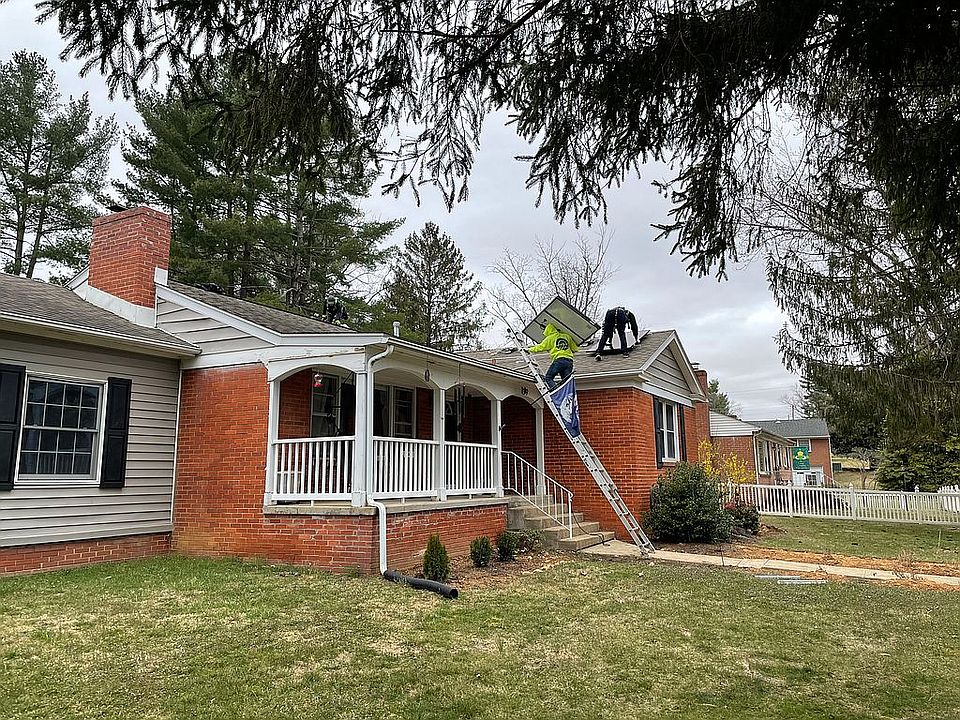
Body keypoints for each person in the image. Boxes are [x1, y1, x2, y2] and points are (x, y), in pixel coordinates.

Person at [528, 323, 578, 390]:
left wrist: (529, 349)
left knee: (548, 378)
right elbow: (575, 349)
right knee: (566, 382)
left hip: (559, 360)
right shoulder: (566, 336)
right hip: (569, 362)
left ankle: (556, 390)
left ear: (548, 331)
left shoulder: (550, 338)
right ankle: (568, 396)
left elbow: (540, 347)